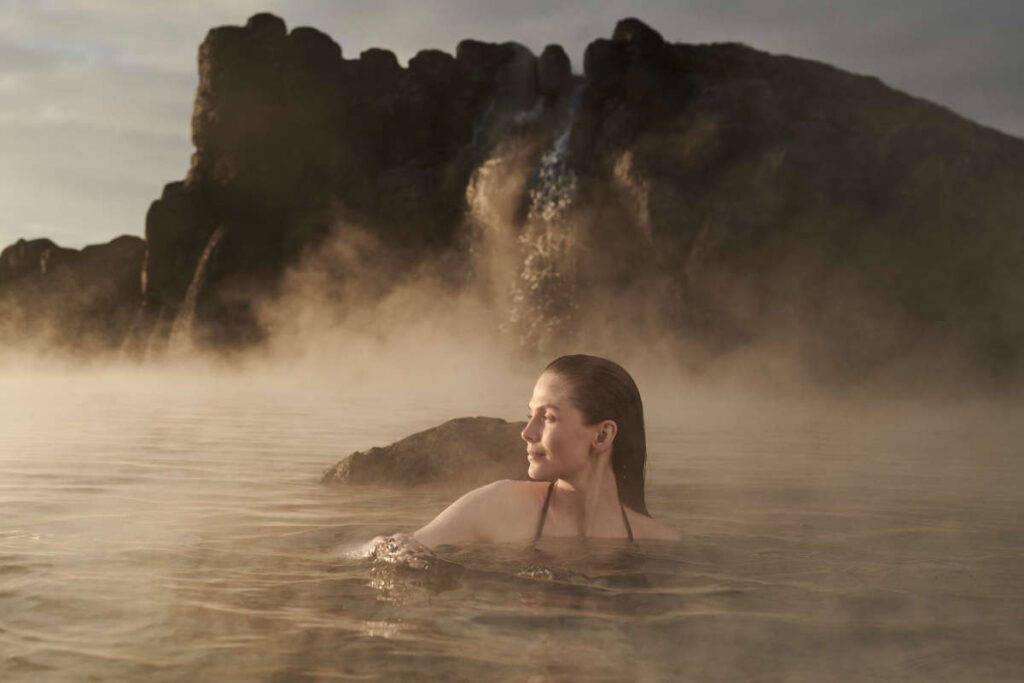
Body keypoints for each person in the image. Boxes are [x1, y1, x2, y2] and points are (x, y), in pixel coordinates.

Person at [414, 354, 680, 548]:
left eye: (548, 417)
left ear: (602, 435)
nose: (527, 432)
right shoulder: (497, 506)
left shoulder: (659, 542)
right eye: (530, 415)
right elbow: (397, 549)